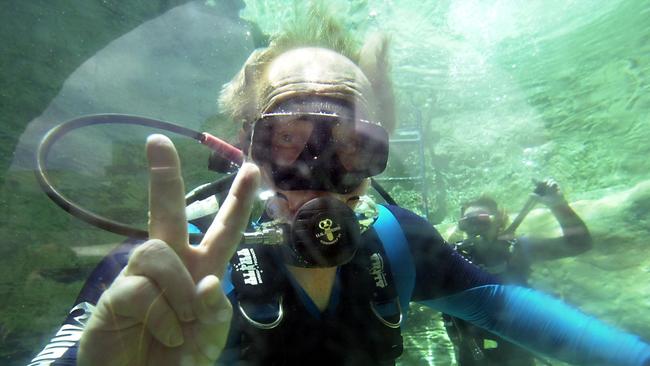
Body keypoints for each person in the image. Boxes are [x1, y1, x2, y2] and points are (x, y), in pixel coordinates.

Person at [30, 9, 650, 366]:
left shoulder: (398, 243)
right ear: (249, 145)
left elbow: (505, 307)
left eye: (351, 143)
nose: (319, 168)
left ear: (380, 153)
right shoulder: (169, 267)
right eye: (290, 137)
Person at [443, 182, 593, 366]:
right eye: (467, 223)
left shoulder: (519, 249)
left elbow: (580, 243)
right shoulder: (454, 257)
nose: (475, 230)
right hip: (471, 355)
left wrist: (557, 204)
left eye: (481, 221)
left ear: (499, 220)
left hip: (517, 355)